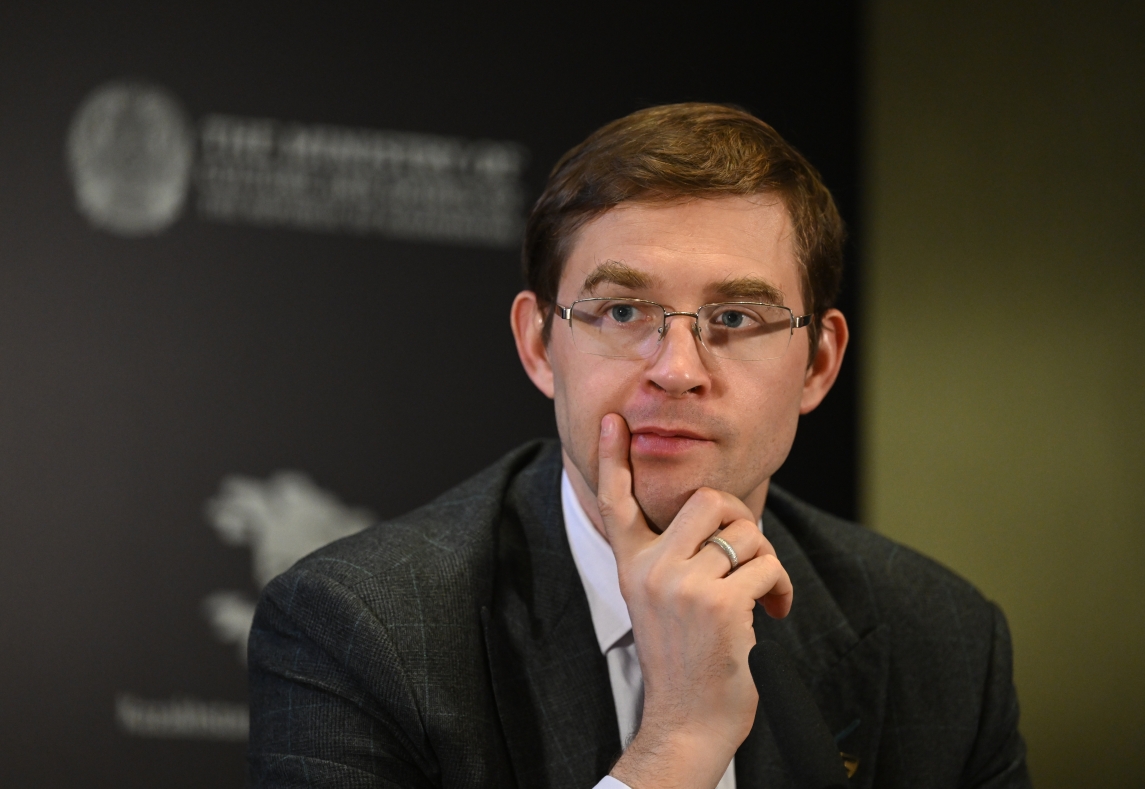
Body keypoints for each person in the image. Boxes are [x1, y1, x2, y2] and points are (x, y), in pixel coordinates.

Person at [248, 103, 1031, 788]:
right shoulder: (358, 628)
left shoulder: (944, 640)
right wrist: (678, 744)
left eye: (735, 318)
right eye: (623, 312)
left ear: (819, 364)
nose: (678, 369)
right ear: (539, 344)